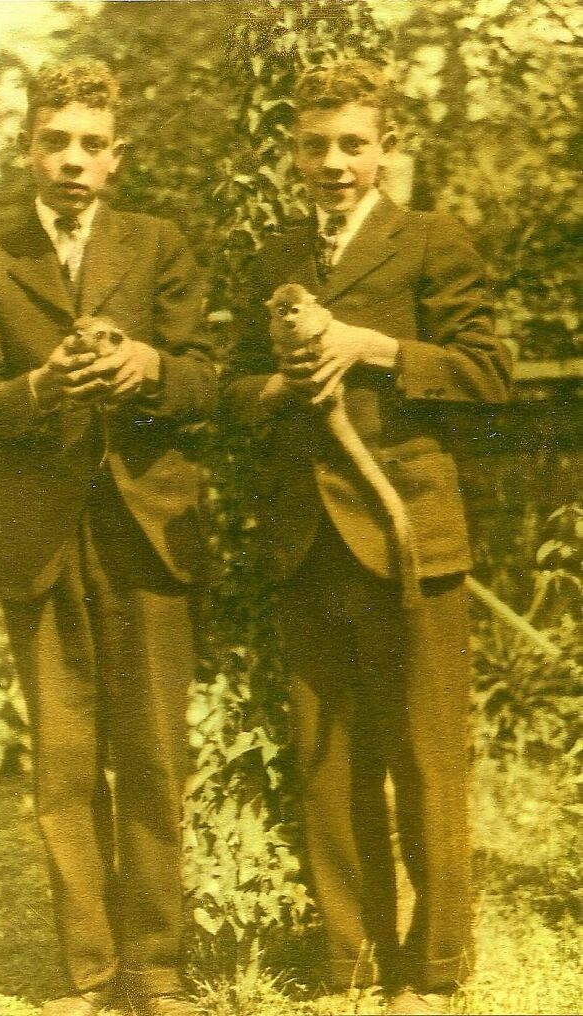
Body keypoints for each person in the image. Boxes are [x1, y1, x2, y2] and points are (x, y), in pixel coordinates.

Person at [222, 60, 511, 1016]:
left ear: (386, 150)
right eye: (315, 145)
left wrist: (369, 346)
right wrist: (275, 386)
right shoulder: (273, 257)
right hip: (306, 536)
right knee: (327, 757)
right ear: (292, 152)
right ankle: (349, 959)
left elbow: (488, 371)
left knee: (425, 760)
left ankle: (432, 973)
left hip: (406, 530)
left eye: (353, 143)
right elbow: (231, 385)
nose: (333, 163)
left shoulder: (430, 241)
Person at [0, 59, 214, 1016]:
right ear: (29, 150)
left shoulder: (158, 245)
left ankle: (157, 971)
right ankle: (87, 975)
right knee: (64, 766)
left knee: (152, 756)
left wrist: (148, 366)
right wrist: (39, 389)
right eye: (54, 141)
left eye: (90, 145)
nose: (72, 160)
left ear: (115, 159)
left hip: (148, 529)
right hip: (41, 536)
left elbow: (208, 380)